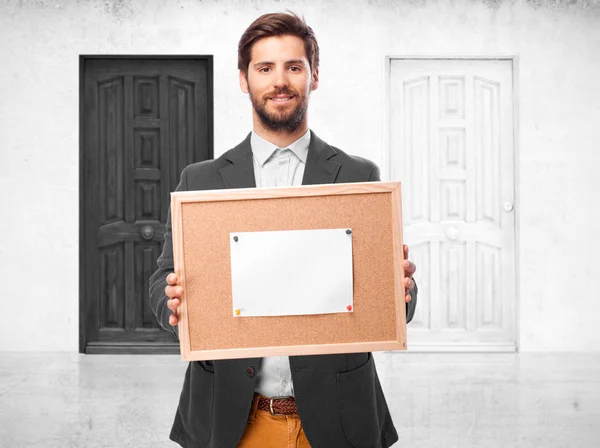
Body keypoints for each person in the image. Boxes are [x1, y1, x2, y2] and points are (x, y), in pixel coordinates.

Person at [148, 11, 418, 448]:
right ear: (243, 79)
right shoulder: (200, 182)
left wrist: (401, 290)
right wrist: (171, 301)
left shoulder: (357, 175)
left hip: (338, 417)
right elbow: (163, 278)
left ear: (313, 78)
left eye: (294, 67)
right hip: (232, 417)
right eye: (265, 68)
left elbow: (391, 302)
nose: (280, 80)